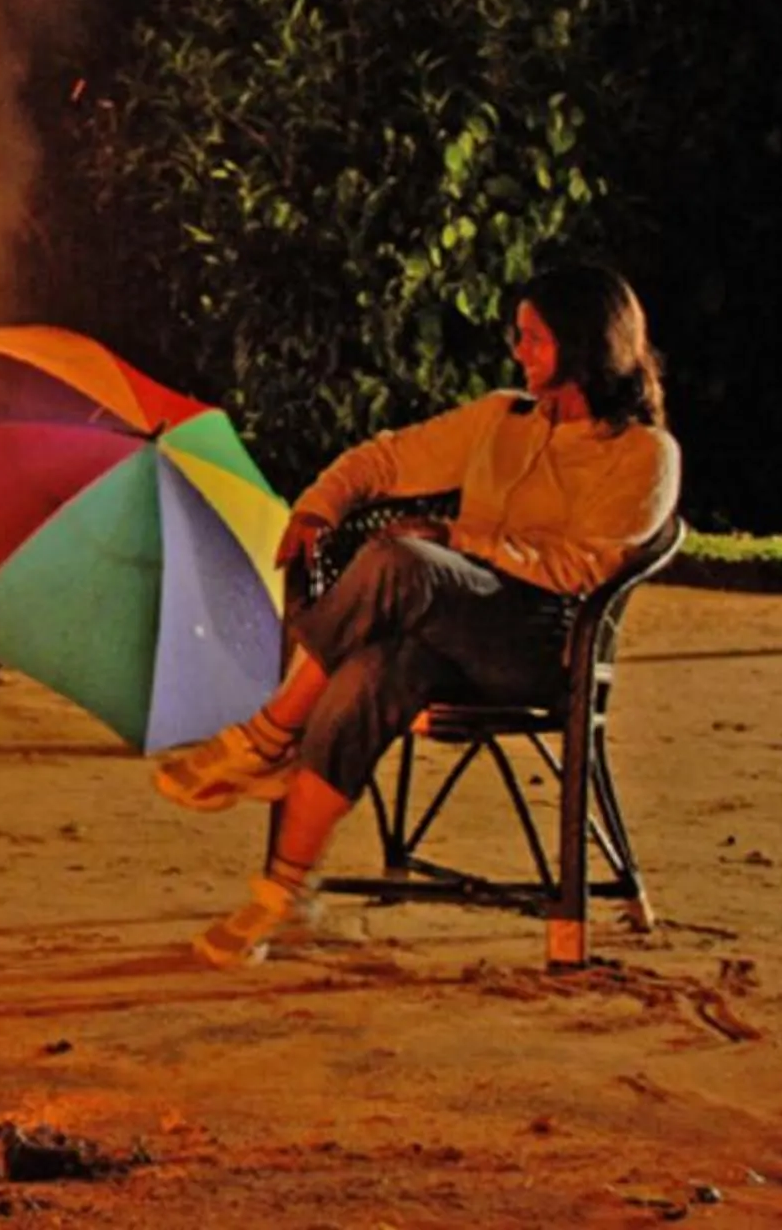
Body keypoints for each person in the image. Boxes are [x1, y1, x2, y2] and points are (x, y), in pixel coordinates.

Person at [151, 263, 680, 968]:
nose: (519, 352)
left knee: (405, 560)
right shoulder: (502, 419)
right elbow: (387, 458)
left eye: (534, 339)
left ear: (585, 345)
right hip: (451, 624)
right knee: (378, 666)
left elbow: (582, 567)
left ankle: (270, 733)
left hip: (542, 645)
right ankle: (283, 896)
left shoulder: (643, 454)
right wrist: (319, 504)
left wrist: (462, 541)